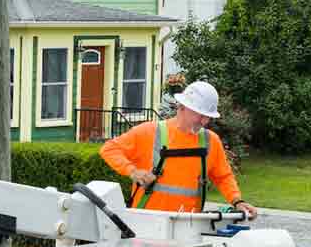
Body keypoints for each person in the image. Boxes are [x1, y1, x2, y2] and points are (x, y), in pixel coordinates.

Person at [101, 80, 260, 220]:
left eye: (208, 116)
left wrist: (237, 201)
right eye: (200, 115)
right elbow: (109, 149)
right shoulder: (148, 132)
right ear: (182, 107)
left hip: (189, 226)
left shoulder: (210, 141)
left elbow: (223, 176)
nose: (204, 121)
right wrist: (133, 171)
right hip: (147, 224)